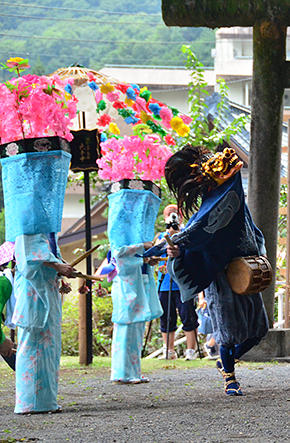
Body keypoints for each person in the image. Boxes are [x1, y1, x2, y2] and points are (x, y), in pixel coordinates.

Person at [144, 145, 269, 396]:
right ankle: (230, 378)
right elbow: (193, 236)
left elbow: (252, 231)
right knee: (226, 331)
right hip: (219, 276)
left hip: (244, 270)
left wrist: (260, 249)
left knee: (260, 329)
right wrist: (174, 250)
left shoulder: (237, 204)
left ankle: (225, 361)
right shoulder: (205, 212)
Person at [104, 180, 163, 385]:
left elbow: (138, 255)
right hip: (127, 280)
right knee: (126, 325)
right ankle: (121, 372)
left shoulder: (137, 230)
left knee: (137, 324)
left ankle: (134, 371)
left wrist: (149, 257)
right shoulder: (119, 227)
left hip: (140, 277)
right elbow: (119, 254)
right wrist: (142, 247)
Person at [13, 234, 75, 412]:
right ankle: (29, 403)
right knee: (33, 346)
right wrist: (56, 265)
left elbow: (49, 254)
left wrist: (62, 267)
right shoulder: (28, 226)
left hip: (49, 289)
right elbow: (28, 258)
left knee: (49, 348)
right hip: (34, 293)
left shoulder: (48, 231)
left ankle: (46, 401)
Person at [155, 205, 199, 361]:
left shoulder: (187, 233)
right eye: (168, 215)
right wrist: (167, 235)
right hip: (165, 283)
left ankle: (191, 350)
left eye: (175, 214)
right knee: (166, 316)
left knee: (188, 315)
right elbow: (156, 252)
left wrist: (178, 234)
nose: (172, 217)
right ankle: (168, 350)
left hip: (183, 283)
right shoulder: (161, 236)